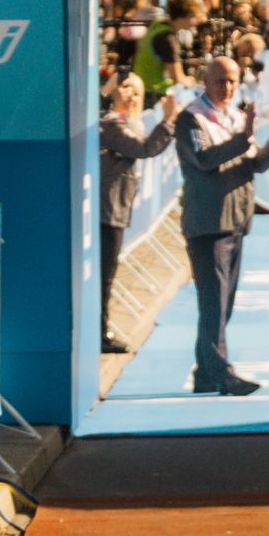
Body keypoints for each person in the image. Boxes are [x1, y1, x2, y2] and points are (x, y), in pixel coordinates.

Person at [176, 57, 269, 395]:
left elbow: (255, 164)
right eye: (220, 81)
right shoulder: (191, 119)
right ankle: (222, 373)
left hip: (235, 220)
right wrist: (242, 137)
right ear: (206, 80)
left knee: (223, 304)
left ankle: (205, 372)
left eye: (232, 81)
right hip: (208, 221)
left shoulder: (233, 117)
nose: (227, 88)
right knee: (213, 303)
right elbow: (204, 160)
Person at [97, 75, 179, 353]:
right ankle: (100, 334)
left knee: (107, 272)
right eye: (124, 88)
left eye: (135, 89)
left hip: (115, 208)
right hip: (106, 211)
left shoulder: (127, 123)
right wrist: (168, 122)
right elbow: (144, 149)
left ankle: (101, 330)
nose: (130, 94)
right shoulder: (111, 125)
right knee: (104, 274)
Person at [132, 0, 204, 97]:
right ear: (187, 15)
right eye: (195, 17)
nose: (197, 22)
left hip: (143, 90)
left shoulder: (158, 24)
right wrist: (195, 83)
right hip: (154, 95)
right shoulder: (168, 39)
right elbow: (177, 78)